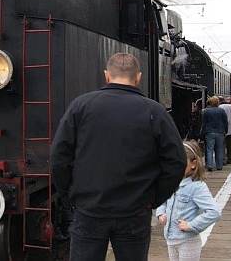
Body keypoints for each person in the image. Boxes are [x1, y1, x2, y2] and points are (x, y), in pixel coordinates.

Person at [51, 53, 186, 261]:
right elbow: (176, 162)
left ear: (106, 75)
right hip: (135, 211)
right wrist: (153, 198)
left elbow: (59, 156)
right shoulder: (154, 111)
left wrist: (69, 194)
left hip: (89, 208)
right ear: (138, 77)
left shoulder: (81, 106)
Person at [156, 141, 221, 261]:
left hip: (188, 241)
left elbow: (214, 212)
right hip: (170, 238)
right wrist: (160, 213)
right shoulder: (172, 182)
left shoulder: (197, 187)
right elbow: (163, 199)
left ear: (193, 164)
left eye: (180, 163)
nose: (175, 167)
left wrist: (191, 225)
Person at [201, 96, 228, 171]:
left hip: (209, 132)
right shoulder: (221, 111)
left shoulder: (206, 111)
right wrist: (226, 130)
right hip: (220, 132)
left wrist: (202, 133)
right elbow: (225, 122)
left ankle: (210, 165)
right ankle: (219, 166)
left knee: (209, 149)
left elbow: (204, 123)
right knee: (219, 149)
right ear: (217, 102)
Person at [219, 94, 231, 165]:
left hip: (222, 129)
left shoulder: (219, 107)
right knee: (230, 146)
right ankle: (229, 159)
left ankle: (223, 160)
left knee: (222, 145)